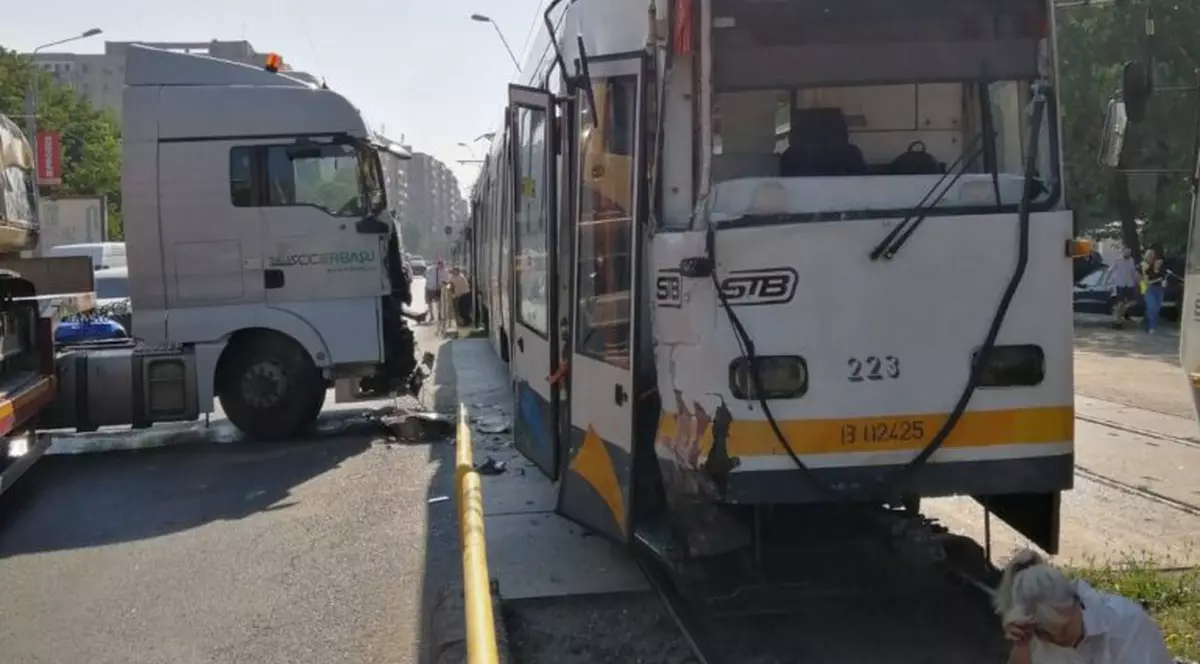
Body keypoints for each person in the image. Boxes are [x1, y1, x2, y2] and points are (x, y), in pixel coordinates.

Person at [995, 549, 1174, 664]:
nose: (1057, 641)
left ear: (1073, 604)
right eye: (1045, 636)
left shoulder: (1126, 624)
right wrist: (1022, 645)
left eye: (1063, 630)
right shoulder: (1039, 628)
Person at [1108, 246, 1140, 328]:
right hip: (1120, 284)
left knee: (1130, 303)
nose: (1128, 254)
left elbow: (1134, 273)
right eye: (1126, 252)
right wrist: (1110, 282)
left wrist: (1137, 281)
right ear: (1122, 252)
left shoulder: (1131, 261)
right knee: (1120, 303)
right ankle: (1116, 321)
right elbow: (1110, 270)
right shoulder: (1117, 260)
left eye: (1129, 253)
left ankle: (1118, 317)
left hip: (1129, 284)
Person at [1142, 249, 1166, 334]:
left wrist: (1164, 284)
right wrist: (1156, 280)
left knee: (1156, 310)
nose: (1159, 264)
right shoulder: (1148, 270)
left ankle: (1153, 326)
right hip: (1150, 290)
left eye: (1160, 263)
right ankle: (1150, 327)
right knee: (1151, 309)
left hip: (1159, 291)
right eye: (1158, 262)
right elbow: (1146, 283)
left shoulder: (1162, 272)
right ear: (1155, 262)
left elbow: (1164, 282)